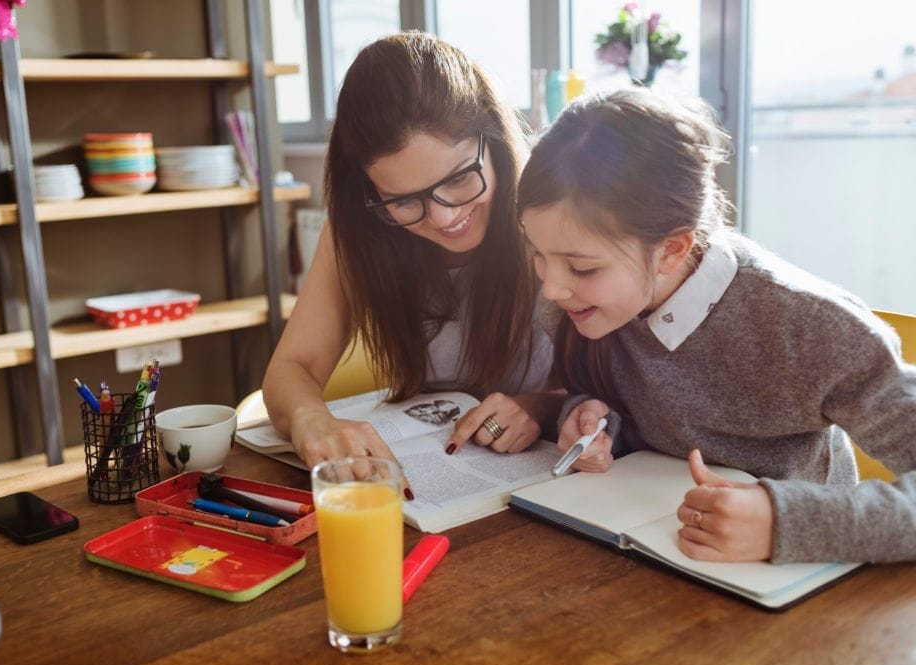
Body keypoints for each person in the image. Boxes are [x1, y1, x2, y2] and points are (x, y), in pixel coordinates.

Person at [518, 88, 916, 564]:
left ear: (672, 250)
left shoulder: (810, 328)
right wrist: (587, 419)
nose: (552, 289)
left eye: (582, 269)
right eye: (538, 254)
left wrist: (781, 523)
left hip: (795, 595)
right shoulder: (581, 304)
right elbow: (616, 395)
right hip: (646, 560)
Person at [262, 33, 559, 483]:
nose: (444, 217)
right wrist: (311, 418)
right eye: (403, 200)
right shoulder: (356, 232)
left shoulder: (549, 208)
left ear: (494, 140)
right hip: (439, 474)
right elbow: (291, 369)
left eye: (460, 178)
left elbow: (617, 381)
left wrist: (540, 406)